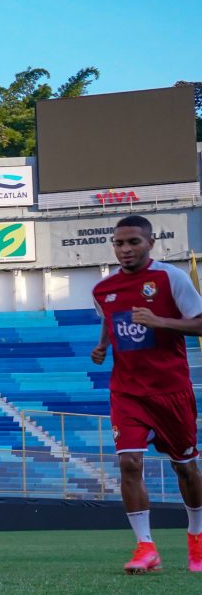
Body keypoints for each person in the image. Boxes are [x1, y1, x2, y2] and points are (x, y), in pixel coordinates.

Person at [90, 213, 202, 573]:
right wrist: (103, 346)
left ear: (150, 243)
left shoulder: (172, 278)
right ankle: (145, 547)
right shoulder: (102, 290)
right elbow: (111, 319)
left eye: (133, 242)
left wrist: (161, 322)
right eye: (119, 243)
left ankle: (197, 539)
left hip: (171, 390)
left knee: (185, 467)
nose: (125, 249)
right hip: (127, 391)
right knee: (128, 462)